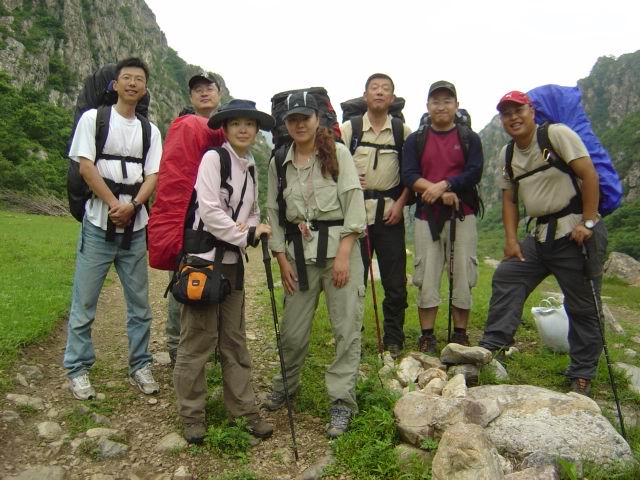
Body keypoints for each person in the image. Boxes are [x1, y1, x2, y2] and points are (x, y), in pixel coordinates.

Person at [479, 91, 606, 396]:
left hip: (575, 232)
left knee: (582, 305)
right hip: (539, 236)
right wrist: (511, 240)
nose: (513, 117)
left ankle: (582, 373)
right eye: (506, 113)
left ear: (531, 111)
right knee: (508, 275)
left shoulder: (556, 135)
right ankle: (493, 346)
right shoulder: (508, 154)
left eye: (518, 110)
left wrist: (588, 222)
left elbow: (589, 175)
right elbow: (509, 199)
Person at [264, 91, 366, 438]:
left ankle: (341, 401)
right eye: (293, 119)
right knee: (292, 331)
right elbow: (274, 212)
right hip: (298, 256)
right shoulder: (279, 161)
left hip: (340, 254)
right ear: (285, 124)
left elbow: (354, 204)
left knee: (346, 329)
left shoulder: (336, 154)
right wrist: (281, 258)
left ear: (317, 119)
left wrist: (344, 254)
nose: (300, 124)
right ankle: (285, 385)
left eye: (305, 118)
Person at [173, 99, 274, 444]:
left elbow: (254, 210)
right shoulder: (214, 159)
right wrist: (244, 234)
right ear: (226, 129)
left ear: (256, 130)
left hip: (232, 264)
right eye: (236, 124)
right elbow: (209, 210)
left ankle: (244, 411)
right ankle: (191, 415)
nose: (243, 129)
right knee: (198, 339)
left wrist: (252, 226)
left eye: (249, 124)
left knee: (234, 340)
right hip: (204, 262)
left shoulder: (251, 166)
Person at [64, 57, 162, 399]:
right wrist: (112, 204)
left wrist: (132, 206)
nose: (133, 83)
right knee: (85, 301)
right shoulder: (94, 119)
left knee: (140, 305)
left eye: (139, 79)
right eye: (127, 78)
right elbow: (86, 167)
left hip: (135, 227)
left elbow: (153, 175)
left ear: (145, 88)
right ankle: (77, 368)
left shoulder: (150, 131)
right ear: (115, 84)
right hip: (98, 222)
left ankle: (141, 364)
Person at [402, 81, 483, 354]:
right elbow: (409, 175)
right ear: (427, 106)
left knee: (462, 273)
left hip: (462, 214)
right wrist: (438, 191)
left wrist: (446, 185)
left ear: (456, 105)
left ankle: (460, 334)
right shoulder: (416, 140)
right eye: (435, 101)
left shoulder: (469, 138)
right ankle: (427, 335)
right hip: (427, 216)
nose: (441, 106)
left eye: (447, 101)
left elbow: (474, 172)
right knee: (426, 273)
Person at [340, 73, 411, 359]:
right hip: (356, 216)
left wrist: (401, 204)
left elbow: (411, 174)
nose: (379, 92)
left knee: (395, 282)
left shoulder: (402, 132)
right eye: (374, 88)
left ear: (392, 98)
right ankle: (352, 335)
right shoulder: (350, 129)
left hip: (390, 214)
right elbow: (332, 165)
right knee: (354, 281)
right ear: (365, 95)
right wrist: (347, 178)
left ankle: (394, 337)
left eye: (385, 89)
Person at [165, 73, 223, 367]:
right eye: (197, 90)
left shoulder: (228, 128)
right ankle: (177, 345)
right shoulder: (184, 126)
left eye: (209, 88)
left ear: (219, 93)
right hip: (188, 217)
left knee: (218, 277)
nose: (203, 93)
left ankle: (210, 345)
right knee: (183, 276)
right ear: (191, 97)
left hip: (218, 218)